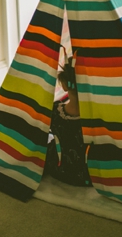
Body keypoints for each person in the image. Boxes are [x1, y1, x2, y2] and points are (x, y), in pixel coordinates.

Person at [44, 51, 91, 187]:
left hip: (60, 170)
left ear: (64, 85)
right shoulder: (97, 116)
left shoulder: (55, 111)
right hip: (89, 176)